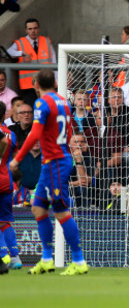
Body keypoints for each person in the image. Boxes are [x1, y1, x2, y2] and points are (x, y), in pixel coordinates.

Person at [8, 70, 88, 275]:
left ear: (35, 84)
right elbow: (69, 130)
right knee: (38, 208)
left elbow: (35, 132)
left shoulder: (42, 103)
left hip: (55, 163)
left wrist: (17, 158)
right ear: (53, 83)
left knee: (60, 211)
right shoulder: (64, 101)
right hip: (52, 162)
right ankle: (46, 258)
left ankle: (79, 260)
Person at [7, 18, 56, 106]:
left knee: (48, 109)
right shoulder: (20, 43)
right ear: (26, 30)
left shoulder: (46, 41)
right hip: (28, 87)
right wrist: (21, 53)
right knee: (31, 110)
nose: (33, 31)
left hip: (45, 84)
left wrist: (56, 81)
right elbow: (8, 52)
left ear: (39, 29)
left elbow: (54, 63)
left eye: (35, 28)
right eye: (30, 29)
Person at [0, 102, 19, 272]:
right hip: (7, 180)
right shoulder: (11, 135)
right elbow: (14, 160)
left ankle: (3, 255)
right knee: (5, 221)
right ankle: (15, 257)